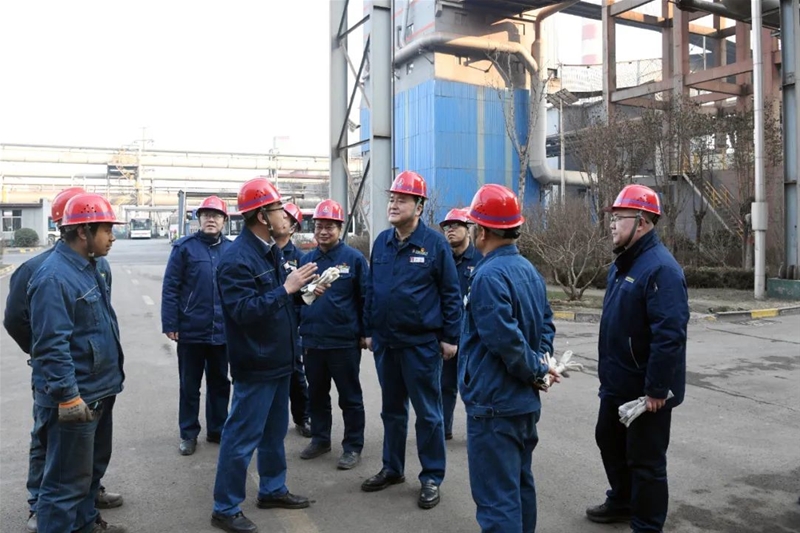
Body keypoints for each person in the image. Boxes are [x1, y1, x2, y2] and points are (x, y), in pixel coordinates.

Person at [3, 187, 123, 533]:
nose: (112, 237)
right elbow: (50, 345)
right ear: (83, 231)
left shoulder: (91, 266)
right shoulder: (53, 276)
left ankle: (86, 525)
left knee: (86, 476)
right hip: (76, 394)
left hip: (98, 389)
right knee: (63, 487)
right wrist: (67, 395)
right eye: (106, 229)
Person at [210, 177, 327, 533]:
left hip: (279, 359)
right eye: (279, 209)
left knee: (274, 433)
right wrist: (286, 289)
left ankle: (272, 488)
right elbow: (244, 311)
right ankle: (225, 507)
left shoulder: (270, 250)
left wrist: (303, 293)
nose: (285, 215)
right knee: (241, 437)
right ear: (262, 216)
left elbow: (276, 301)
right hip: (256, 362)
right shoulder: (236, 259)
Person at [586, 184, 689, 533]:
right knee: (608, 440)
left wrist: (657, 390)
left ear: (642, 222)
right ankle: (622, 501)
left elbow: (669, 336)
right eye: (612, 218)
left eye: (619, 218)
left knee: (646, 462)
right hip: (617, 382)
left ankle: (646, 525)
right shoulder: (624, 263)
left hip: (646, 392)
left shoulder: (661, 269)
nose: (612, 225)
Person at [458, 184, 559, 533]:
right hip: (521, 404)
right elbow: (546, 325)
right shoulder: (528, 270)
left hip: (494, 405)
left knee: (497, 500)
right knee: (518, 485)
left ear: (483, 231)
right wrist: (541, 366)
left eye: (474, 225)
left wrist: (537, 370)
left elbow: (506, 341)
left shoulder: (488, 276)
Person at [361, 171, 462, 510]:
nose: (393, 204)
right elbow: (372, 291)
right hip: (387, 343)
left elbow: (451, 293)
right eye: (391, 199)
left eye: (401, 200)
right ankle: (392, 468)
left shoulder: (434, 245)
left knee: (428, 414)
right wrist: (369, 330)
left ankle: (431, 476)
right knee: (391, 411)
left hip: (421, 345)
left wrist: (450, 337)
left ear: (419, 207)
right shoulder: (381, 243)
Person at [297, 199, 368, 470]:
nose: (323, 231)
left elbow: (365, 298)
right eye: (319, 226)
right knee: (316, 394)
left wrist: (365, 333)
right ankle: (320, 439)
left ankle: (352, 446)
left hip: (344, 341)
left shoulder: (354, 260)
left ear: (340, 228)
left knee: (350, 396)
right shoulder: (307, 261)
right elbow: (297, 299)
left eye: (329, 226)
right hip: (313, 340)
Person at [161, 195, 233, 456]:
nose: (211, 219)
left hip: (222, 331)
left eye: (216, 215)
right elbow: (171, 287)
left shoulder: (232, 250)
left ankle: (217, 429)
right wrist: (171, 322)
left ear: (224, 220)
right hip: (191, 329)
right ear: (199, 219)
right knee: (190, 385)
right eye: (206, 215)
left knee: (220, 383)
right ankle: (188, 433)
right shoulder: (184, 248)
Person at [438, 208, 482, 441]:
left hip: (473, 336)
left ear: (468, 229)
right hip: (447, 332)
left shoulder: (480, 259)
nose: (450, 230)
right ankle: (443, 429)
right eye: (447, 226)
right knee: (445, 384)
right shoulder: (440, 258)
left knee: (474, 385)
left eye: (456, 225)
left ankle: (478, 430)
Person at [273, 202, 311, 438]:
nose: (279, 220)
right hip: (266, 323)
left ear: (293, 228)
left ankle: (302, 417)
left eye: (285, 218)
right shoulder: (262, 253)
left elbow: (305, 296)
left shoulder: (299, 258)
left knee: (296, 374)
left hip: (291, 326)